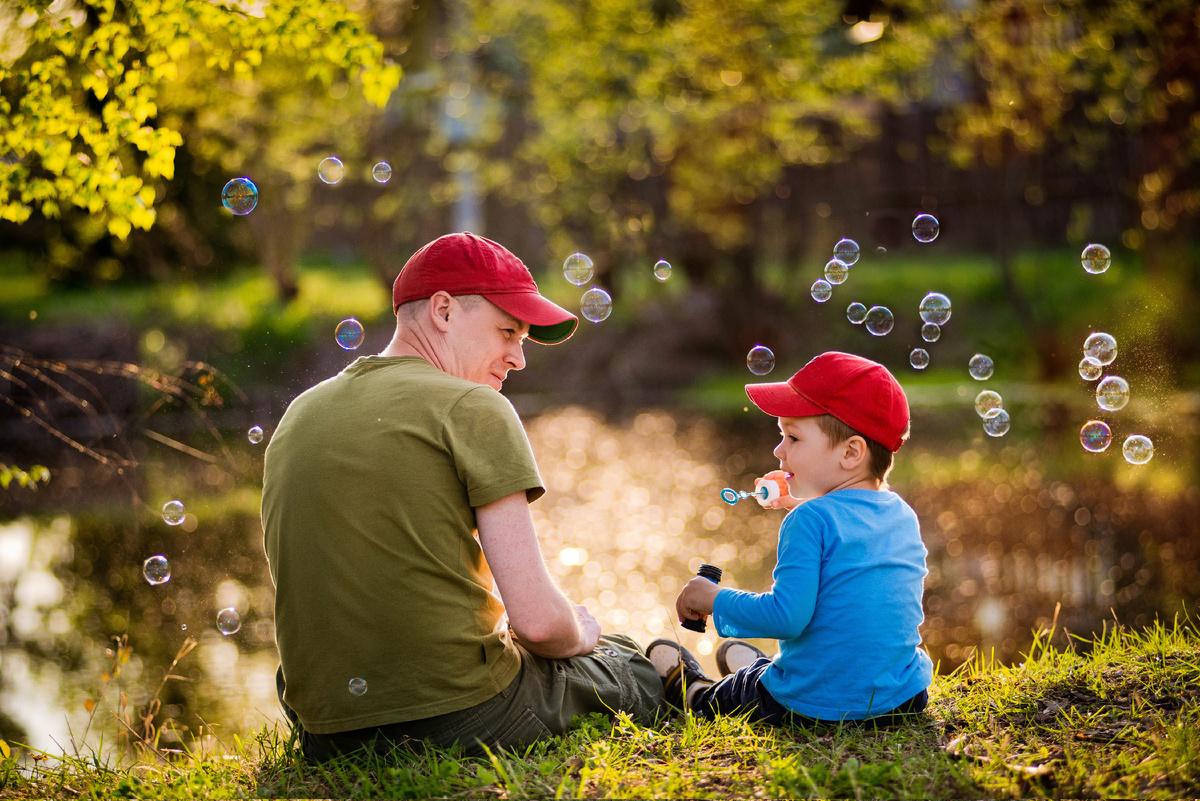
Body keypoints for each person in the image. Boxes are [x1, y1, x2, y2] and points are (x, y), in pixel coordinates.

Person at [262, 232, 664, 760]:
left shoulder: (299, 413)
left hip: (324, 730)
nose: (517, 358)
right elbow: (539, 625)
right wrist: (582, 634)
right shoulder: (474, 406)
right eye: (507, 332)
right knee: (631, 660)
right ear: (444, 311)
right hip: (458, 714)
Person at [647, 351, 933, 727]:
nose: (778, 450)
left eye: (792, 437)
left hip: (815, 706)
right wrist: (798, 504)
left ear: (851, 452)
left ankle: (697, 692)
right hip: (902, 699)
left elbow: (786, 618)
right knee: (818, 651)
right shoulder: (901, 514)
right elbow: (851, 552)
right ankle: (760, 669)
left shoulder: (808, 520)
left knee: (736, 695)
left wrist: (713, 599)